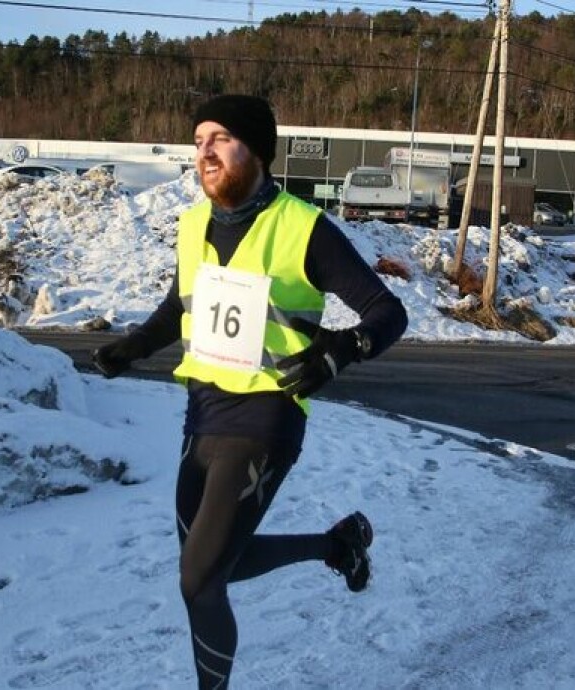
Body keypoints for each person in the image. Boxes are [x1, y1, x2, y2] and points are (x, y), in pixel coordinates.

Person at [92, 94, 408, 688]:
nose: (204, 151)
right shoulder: (192, 224)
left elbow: (386, 313)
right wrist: (134, 345)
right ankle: (337, 545)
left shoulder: (303, 227)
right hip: (203, 414)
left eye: (220, 138)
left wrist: (340, 352)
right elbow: (179, 305)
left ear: (257, 151)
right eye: (198, 140)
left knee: (198, 581)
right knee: (214, 568)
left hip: (266, 418)